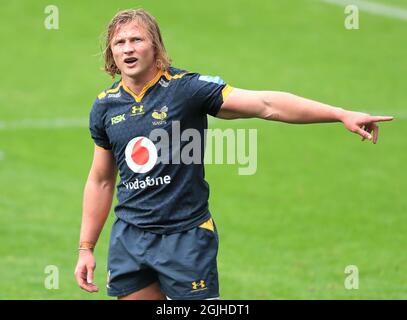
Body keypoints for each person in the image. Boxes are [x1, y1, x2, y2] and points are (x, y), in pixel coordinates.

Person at [74, 8, 393, 300]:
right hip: (131, 239)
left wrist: (339, 114)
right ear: (111, 53)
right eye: (120, 42)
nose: (128, 48)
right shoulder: (104, 106)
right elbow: (101, 180)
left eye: (137, 39)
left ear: (155, 46)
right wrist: (86, 248)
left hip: (185, 239)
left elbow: (267, 105)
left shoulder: (187, 89)